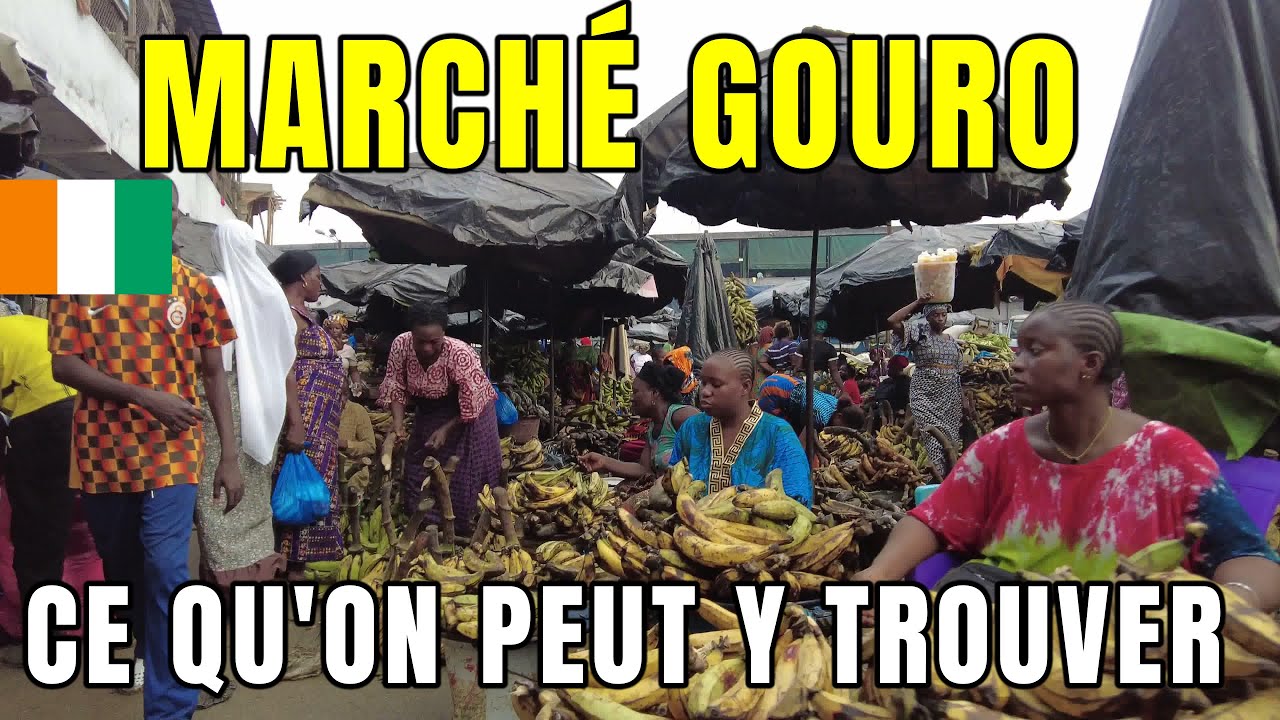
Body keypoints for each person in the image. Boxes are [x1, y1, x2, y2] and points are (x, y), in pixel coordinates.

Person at [856, 302, 1280, 609]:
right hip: (1005, 626)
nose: (1017, 363)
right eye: (1018, 349)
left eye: (1035, 351)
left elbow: (1249, 557)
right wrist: (879, 574)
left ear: (1089, 365)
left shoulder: (1168, 456)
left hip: (1128, 636)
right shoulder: (1000, 448)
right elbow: (933, 519)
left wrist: (1233, 606)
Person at [47, 180, 243, 716]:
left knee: (166, 570)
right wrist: (142, 396)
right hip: (102, 455)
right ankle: (157, 652)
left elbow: (213, 374)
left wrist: (228, 455)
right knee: (124, 570)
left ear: (175, 220)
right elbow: (64, 365)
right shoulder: (81, 281)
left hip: (172, 453)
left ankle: (170, 707)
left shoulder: (197, 287)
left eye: (166, 213)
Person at [195, 220, 295, 604]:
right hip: (266, 406)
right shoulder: (270, 291)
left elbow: (210, 364)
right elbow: (287, 355)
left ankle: (225, 589)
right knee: (254, 498)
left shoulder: (213, 287)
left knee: (218, 495)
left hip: (224, 400)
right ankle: (258, 585)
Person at [379, 302, 501, 535]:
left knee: (465, 469)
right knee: (419, 462)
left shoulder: (460, 354)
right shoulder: (400, 345)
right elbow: (395, 386)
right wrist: (397, 424)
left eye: (434, 341)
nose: (426, 348)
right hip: (430, 410)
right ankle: (425, 524)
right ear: (411, 335)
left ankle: (464, 528)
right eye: (420, 341)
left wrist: (446, 429)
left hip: (470, 412)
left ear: (444, 333)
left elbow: (470, 402)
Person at [0, 313, 77, 668]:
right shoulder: (25, 322)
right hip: (86, 405)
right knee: (58, 526)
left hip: (44, 417)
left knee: (35, 533)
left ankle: (44, 640)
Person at [269, 250, 347, 576]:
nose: (320, 281)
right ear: (302, 278)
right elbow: (284, 369)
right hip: (307, 423)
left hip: (320, 426)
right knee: (299, 496)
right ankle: (290, 572)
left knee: (310, 495)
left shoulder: (304, 314)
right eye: (317, 275)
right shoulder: (287, 315)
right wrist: (296, 424)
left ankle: (294, 570)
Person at [669, 350, 812, 506]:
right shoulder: (691, 428)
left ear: (745, 387)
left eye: (716, 384)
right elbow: (671, 481)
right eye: (703, 382)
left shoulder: (778, 433)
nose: (705, 391)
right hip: (687, 526)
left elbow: (797, 501)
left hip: (759, 529)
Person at [579, 362, 698, 480]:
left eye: (635, 392)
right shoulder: (653, 427)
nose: (631, 398)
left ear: (654, 393)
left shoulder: (681, 416)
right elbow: (643, 469)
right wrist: (603, 461)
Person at [888, 295, 964, 475]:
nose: (940, 318)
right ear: (928, 317)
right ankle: (936, 479)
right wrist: (918, 302)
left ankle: (948, 480)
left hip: (949, 398)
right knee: (932, 438)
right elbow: (892, 321)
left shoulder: (953, 342)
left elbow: (957, 373)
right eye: (935, 315)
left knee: (951, 440)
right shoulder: (919, 334)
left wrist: (963, 400)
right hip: (925, 394)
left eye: (943, 315)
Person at [324, 313, 366, 395]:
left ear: (343, 329)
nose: (334, 330)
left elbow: (353, 371)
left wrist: (357, 384)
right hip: (325, 389)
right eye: (330, 328)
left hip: (343, 392)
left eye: (337, 328)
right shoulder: (323, 348)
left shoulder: (348, 350)